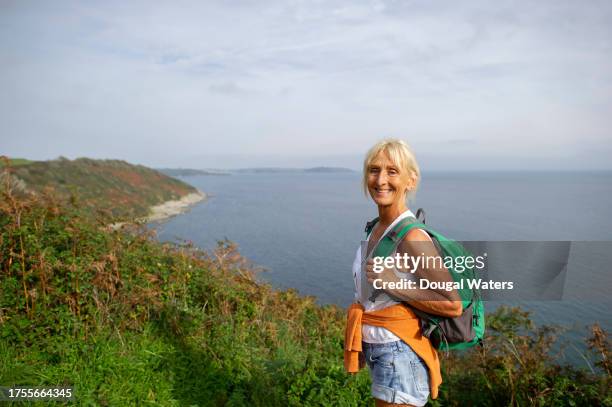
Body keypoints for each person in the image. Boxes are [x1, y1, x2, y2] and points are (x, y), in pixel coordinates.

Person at [344, 139, 462, 407]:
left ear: (411, 180)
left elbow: (452, 303)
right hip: (383, 349)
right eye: (374, 170)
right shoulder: (376, 228)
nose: (380, 179)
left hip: (399, 353)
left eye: (392, 171)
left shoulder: (411, 236)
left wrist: (394, 284)